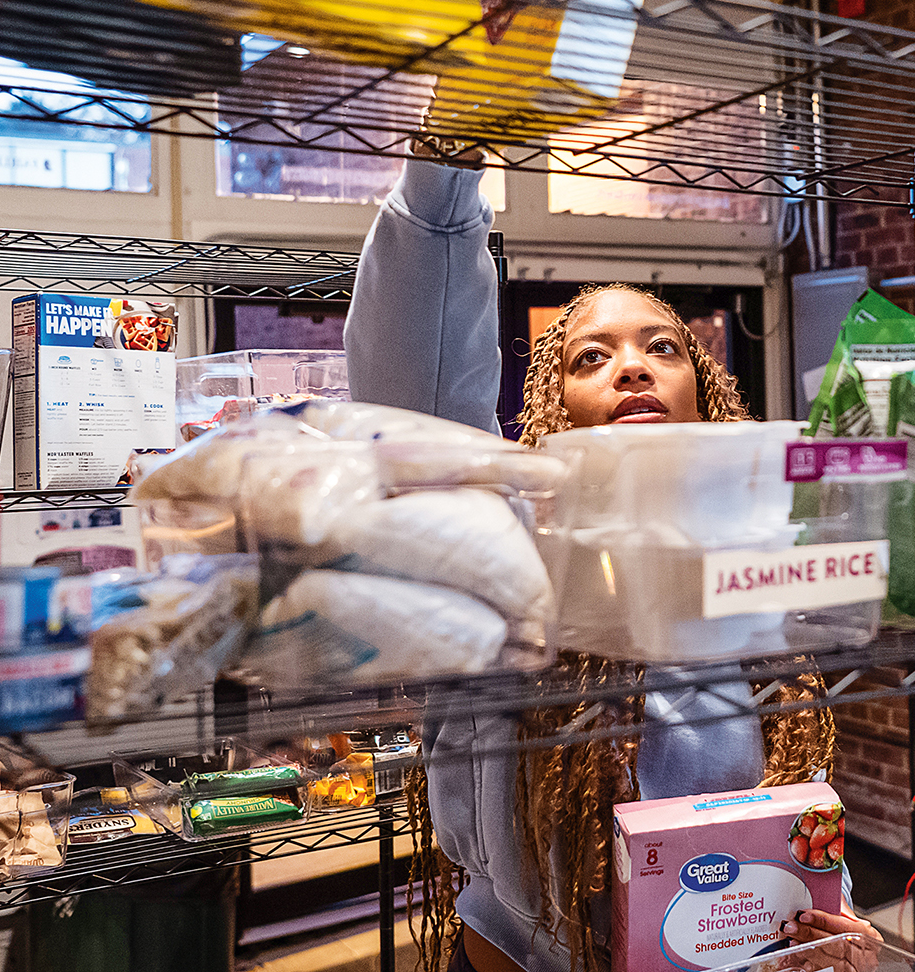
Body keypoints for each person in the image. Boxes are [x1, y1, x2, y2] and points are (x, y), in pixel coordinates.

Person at [344, 143, 881, 972]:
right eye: (591, 357)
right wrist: (444, 164)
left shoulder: (753, 555)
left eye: (662, 347)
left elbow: (782, 800)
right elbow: (422, 393)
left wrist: (833, 913)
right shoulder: (503, 540)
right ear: (556, 408)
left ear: (703, 394)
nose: (632, 365)